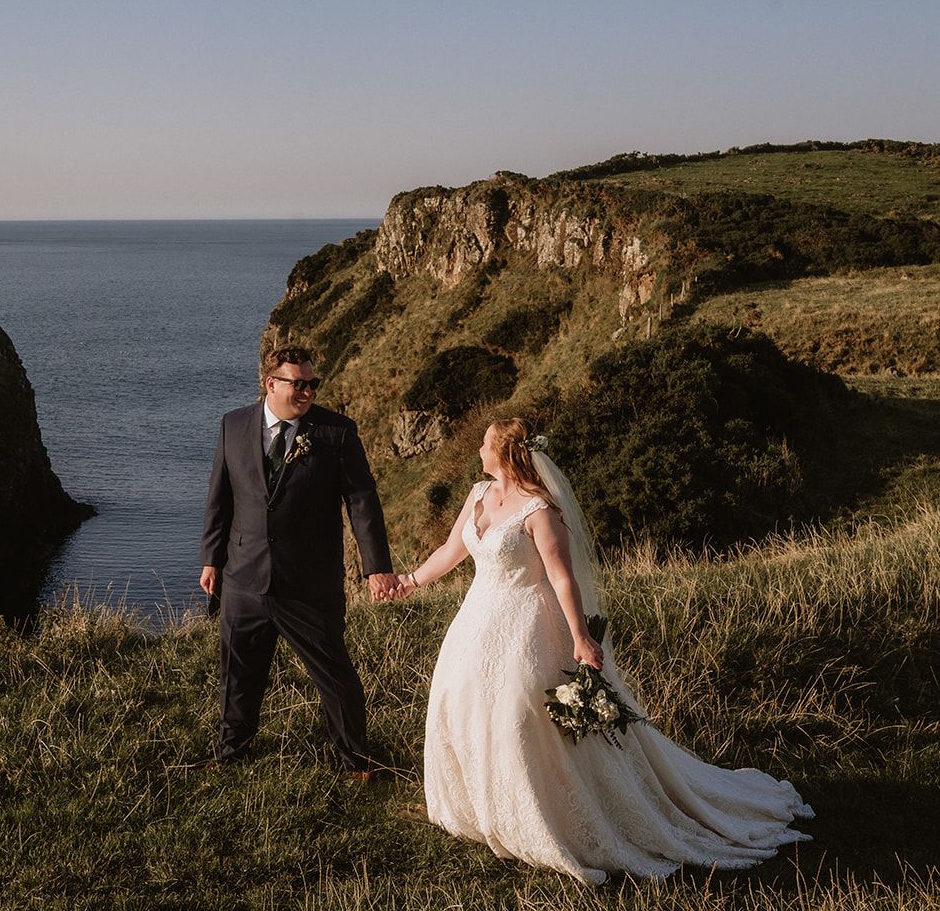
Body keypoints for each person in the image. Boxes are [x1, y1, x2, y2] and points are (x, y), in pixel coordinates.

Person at [396, 417, 813, 883]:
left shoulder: (539, 511)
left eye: (485, 443)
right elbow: (452, 550)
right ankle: (484, 808)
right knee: (463, 702)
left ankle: (555, 817)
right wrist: (409, 581)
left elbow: (560, 576)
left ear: (507, 453)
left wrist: (579, 637)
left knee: (519, 713)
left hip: (527, 624)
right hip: (476, 622)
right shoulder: (478, 494)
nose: (478, 449)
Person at [198, 344, 399, 777]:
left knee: (333, 672)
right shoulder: (233, 425)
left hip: (308, 583)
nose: (308, 391)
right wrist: (211, 560)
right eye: (299, 383)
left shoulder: (336, 432)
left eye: (313, 383)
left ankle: (356, 760)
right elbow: (220, 499)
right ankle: (232, 753)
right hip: (243, 577)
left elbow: (362, 501)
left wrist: (376, 567)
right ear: (271, 384)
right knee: (238, 672)